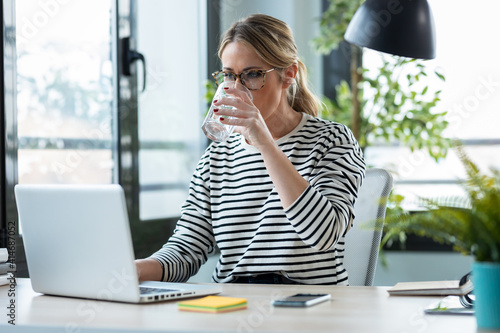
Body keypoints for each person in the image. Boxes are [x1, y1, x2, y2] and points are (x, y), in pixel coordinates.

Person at [136, 14, 365, 285]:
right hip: (234, 307)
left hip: (310, 307)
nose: (236, 88)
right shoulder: (215, 159)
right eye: (230, 75)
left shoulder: (331, 141)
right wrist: (132, 270)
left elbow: (323, 234)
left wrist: (266, 144)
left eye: (252, 75)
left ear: (288, 74)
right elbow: (186, 250)